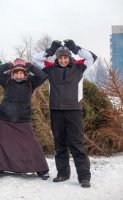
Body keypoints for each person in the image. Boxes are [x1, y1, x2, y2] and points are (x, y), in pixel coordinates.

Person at [32, 39, 97, 188]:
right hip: (56, 110)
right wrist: (50, 50)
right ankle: (63, 173)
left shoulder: (79, 67)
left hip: (74, 110)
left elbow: (91, 57)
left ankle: (84, 176)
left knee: (76, 144)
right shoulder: (49, 68)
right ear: (57, 58)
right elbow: (35, 60)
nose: (62, 60)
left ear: (69, 57)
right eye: (60, 57)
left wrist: (75, 48)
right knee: (60, 144)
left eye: (65, 57)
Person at [0, 58, 50, 180]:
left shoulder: (31, 82)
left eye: (21, 73)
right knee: (2, 143)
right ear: (12, 73)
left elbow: (43, 76)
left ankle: (42, 169)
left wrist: (31, 67)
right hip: (4, 118)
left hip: (23, 118)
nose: (19, 75)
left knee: (31, 144)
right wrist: (6, 66)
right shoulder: (7, 81)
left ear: (25, 74)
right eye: (16, 72)